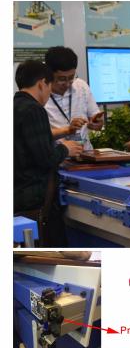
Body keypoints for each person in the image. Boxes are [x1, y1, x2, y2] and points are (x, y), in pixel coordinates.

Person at [14, 60, 83, 246]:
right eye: (50, 86)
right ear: (41, 83)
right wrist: (66, 148)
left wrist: (65, 131)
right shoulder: (34, 109)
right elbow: (45, 159)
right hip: (32, 199)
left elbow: (28, 141)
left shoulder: (14, 105)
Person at [44, 46, 104, 150]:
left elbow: (95, 117)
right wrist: (67, 130)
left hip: (85, 152)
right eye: (62, 79)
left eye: (71, 77)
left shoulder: (81, 86)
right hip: (56, 155)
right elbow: (38, 136)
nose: (67, 84)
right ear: (49, 74)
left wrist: (97, 124)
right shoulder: (41, 94)